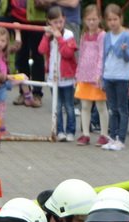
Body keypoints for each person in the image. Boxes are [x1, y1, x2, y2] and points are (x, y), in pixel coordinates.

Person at [39, 6, 78, 141]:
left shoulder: (68, 35)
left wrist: (60, 38)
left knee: (69, 105)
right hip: (53, 77)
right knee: (57, 105)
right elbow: (41, 50)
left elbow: (68, 53)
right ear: (49, 22)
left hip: (67, 77)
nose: (58, 25)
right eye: (55, 22)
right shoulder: (48, 36)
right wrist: (46, 36)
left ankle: (71, 131)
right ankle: (59, 130)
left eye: (60, 21)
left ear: (64, 20)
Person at [101, 3, 129, 151]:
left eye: (115, 19)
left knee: (122, 109)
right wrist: (101, 75)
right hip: (109, 75)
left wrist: (125, 51)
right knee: (112, 109)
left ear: (120, 18)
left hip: (122, 77)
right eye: (109, 20)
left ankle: (121, 139)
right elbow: (103, 57)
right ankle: (112, 138)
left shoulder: (126, 35)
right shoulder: (107, 36)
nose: (112, 23)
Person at [74, 4, 107, 146]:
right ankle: (85, 134)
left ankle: (104, 134)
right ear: (84, 20)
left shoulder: (102, 35)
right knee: (85, 106)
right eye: (89, 19)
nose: (91, 22)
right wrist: (77, 74)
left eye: (94, 19)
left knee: (101, 106)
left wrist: (99, 74)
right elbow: (80, 55)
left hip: (96, 76)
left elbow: (102, 55)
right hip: (84, 75)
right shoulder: (84, 35)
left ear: (99, 19)